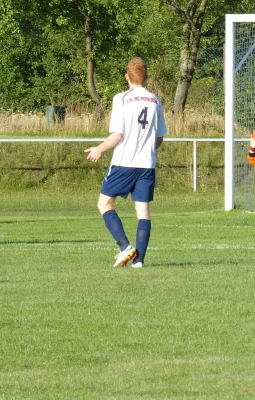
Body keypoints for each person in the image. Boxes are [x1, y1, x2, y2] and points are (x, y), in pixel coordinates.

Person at [84, 57, 167, 268]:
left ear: (126, 77)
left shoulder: (121, 98)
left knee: (104, 203)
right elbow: (159, 138)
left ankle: (124, 247)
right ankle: (139, 262)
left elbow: (118, 135)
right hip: (147, 164)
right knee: (143, 212)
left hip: (124, 162)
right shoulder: (155, 100)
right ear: (145, 77)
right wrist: (148, 149)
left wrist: (99, 149)